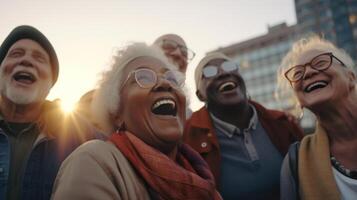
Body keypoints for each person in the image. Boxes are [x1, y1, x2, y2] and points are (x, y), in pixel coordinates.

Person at [51, 43, 222, 200]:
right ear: (117, 112)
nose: (164, 83)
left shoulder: (199, 173)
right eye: (144, 77)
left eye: (171, 79)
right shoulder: (93, 161)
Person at [183, 52, 304, 199]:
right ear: (200, 95)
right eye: (209, 72)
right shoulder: (186, 139)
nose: (223, 73)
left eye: (229, 66)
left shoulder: (283, 123)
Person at [0, 25, 101, 200]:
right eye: (16, 54)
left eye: (39, 58)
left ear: (50, 85)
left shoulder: (82, 136)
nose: (26, 61)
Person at [278, 36, 357, 200]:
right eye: (298, 73)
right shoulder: (296, 162)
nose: (308, 73)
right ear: (299, 101)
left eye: (321, 63)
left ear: (351, 78)